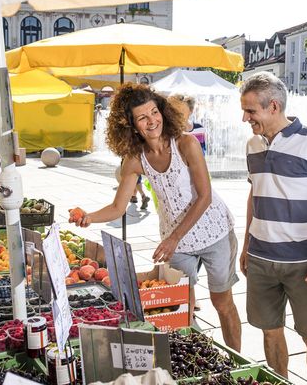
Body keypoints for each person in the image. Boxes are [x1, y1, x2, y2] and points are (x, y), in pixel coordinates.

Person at [69, 83, 242, 352]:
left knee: (223, 303)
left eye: (154, 112)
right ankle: (198, 360)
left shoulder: (186, 143)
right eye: (142, 117)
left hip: (214, 231)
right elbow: (117, 207)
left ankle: (235, 360)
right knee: (182, 306)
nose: (152, 121)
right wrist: (88, 217)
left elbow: (204, 196)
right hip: (178, 243)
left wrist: (173, 238)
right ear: (131, 125)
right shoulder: (135, 159)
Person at [239, 72, 307, 385]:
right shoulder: (252, 145)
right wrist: (246, 244)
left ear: (273, 106)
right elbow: (254, 194)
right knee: (270, 333)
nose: (245, 117)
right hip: (260, 258)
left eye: (250, 110)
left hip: (304, 263)